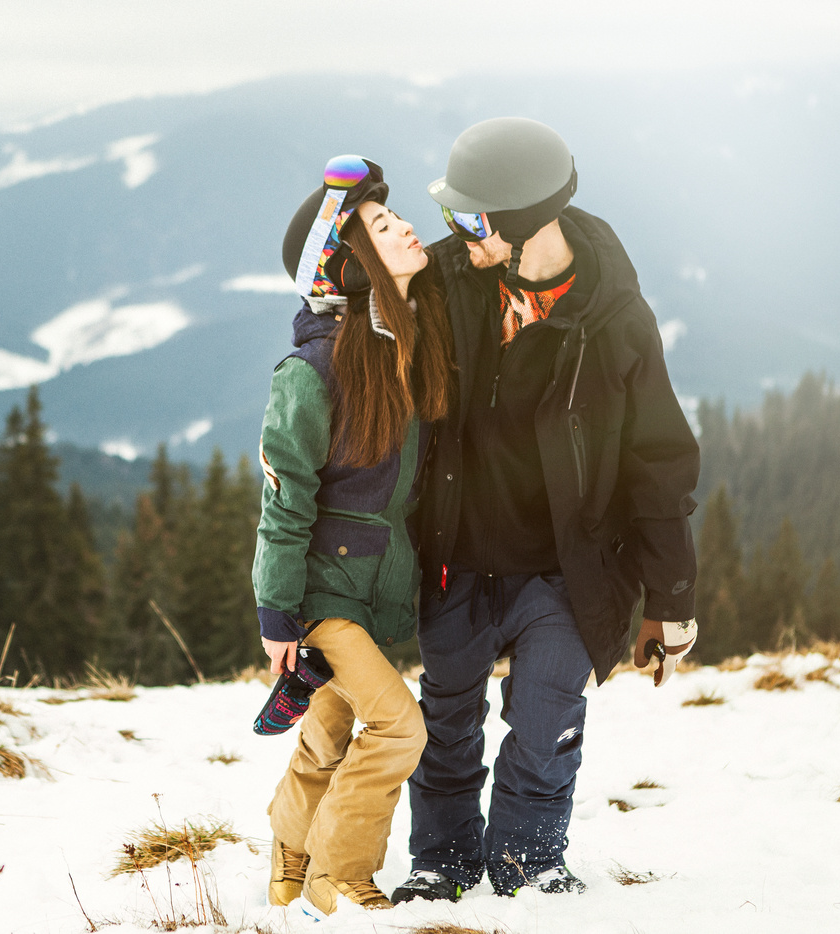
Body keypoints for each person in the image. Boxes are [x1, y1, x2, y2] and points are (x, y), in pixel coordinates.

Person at [392, 118, 700, 902]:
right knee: (446, 725)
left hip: (567, 570)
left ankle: (529, 865)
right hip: (456, 557)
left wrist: (671, 599)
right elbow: (356, 298)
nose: (457, 234)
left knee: (545, 726)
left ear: (523, 221)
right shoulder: (449, 283)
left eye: (473, 218)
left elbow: (657, 463)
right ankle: (442, 862)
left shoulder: (616, 321)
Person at [254, 154, 455, 916]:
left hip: (378, 587)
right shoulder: (312, 371)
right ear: (349, 263)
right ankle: (342, 872)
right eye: (380, 224)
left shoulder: (402, 348)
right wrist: (277, 616)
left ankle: (291, 861)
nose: (404, 227)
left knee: (330, 733)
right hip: (325, 594)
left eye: (394, 216)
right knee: (400, 728)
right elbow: (283, 501)